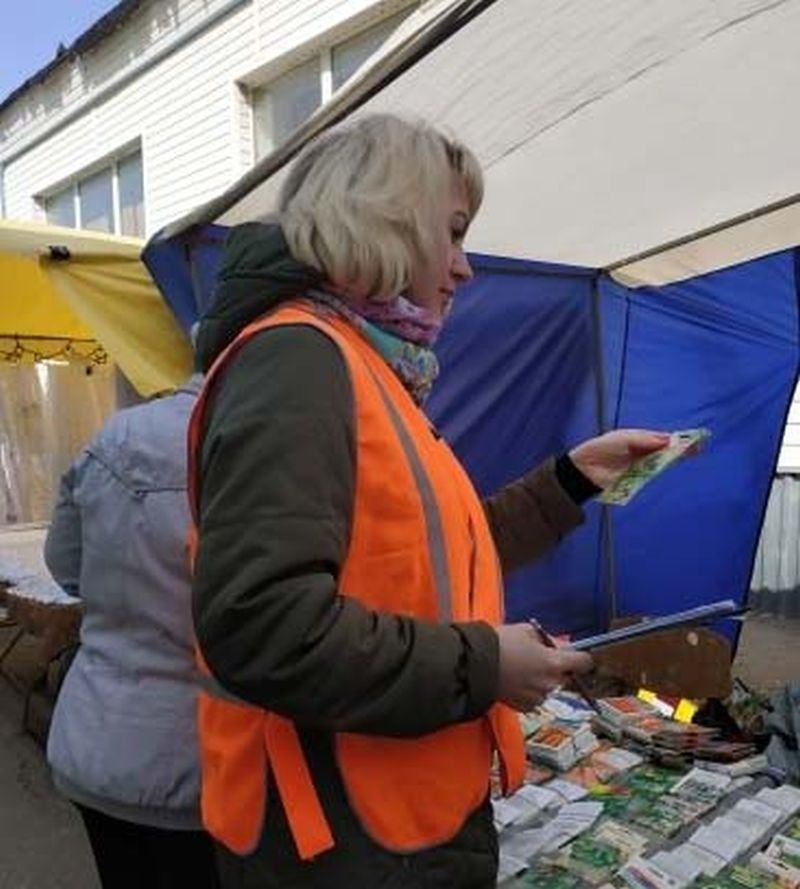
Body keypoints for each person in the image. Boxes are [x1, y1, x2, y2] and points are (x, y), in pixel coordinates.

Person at [189, 114, 669, 888]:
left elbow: (440, 549)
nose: (465, 267)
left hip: (390, 818)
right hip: (342, 842)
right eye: (451, 232)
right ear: (382, 220)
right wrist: (486, 666)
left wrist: (571, 478)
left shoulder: (365, 362)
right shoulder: (298, 361)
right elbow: (261, 626)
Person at [44, 372, 220, 889]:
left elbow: (65, 563)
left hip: (93, 740)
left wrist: (121, 603)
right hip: (195, 762)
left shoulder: (117, 434)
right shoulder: (260, 441)